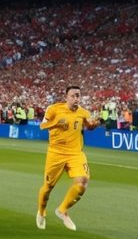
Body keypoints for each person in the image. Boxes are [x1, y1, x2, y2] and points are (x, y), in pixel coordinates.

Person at [36, 85, 101, 231]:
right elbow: (42, 125)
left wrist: (94, 124)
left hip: (75, 153)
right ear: (66, 97)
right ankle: (41, 212)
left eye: (78, 95)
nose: (76, 98)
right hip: (56, 153)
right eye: (73, 95)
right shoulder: (53, 109)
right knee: (47, 188)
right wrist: (57, 123)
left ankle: (62, 210)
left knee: (83, 181)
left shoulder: (83, 112)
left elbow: (88, 126)